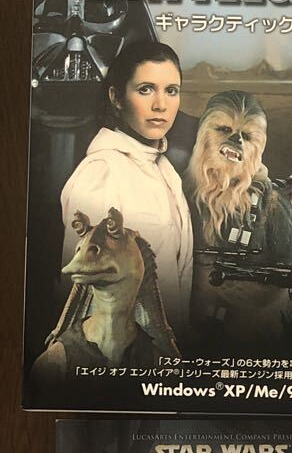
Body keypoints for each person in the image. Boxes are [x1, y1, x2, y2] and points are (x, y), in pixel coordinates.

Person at [59, 40, 193, 330]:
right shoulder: (101, 171)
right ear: (116, 98)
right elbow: (78, 295)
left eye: (171, 91)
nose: (160, 104)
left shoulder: (167, 172)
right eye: (145, 89)